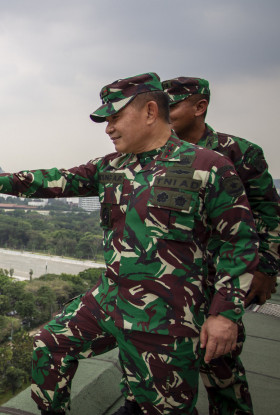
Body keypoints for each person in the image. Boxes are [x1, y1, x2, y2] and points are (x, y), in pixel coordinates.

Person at [0, 72, 259, 415]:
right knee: (49, 345)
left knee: (162, 407)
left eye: (115, 117)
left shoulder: (208, 167)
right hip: (109, 300)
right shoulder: (111, 167)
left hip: (166, 316)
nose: (108, 128)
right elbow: (56, 180)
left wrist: (224, 315)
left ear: (151, 112)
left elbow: (239, 243)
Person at [161, 76, 280, 415]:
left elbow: (270, 216)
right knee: (161, 368)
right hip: (172, 277)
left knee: (220, 365)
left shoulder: (239, 153)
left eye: (174, 106)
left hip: (223, 276)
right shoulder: (156, 155)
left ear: (200, 107)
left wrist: (266, 270)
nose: (165, 114)